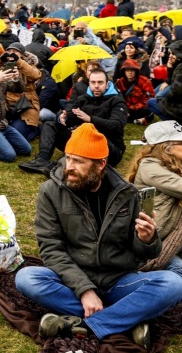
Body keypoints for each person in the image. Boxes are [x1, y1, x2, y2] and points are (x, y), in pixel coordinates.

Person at [14, 123, 182, 350]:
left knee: (173, 283)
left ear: (100, 164)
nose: (69, 167)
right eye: (68, 158)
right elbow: (51, 248)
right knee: (27, 278)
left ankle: (88, 324)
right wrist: (85, 290)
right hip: (72, 279)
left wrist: (147, 239)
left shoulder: (128, 193)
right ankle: (125, 319)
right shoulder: (50, 191)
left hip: (118, 280)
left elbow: (144, 256)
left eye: (78, 161)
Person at [19, 68, 128, 175]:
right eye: (93, 82)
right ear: (89, 83)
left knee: (86, 134)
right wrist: (62, 117)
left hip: (110, 148)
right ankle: (42, 160)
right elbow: (70, 113)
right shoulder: (83, 99)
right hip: (82, 141)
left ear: (107, 84)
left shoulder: (117, 101)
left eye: (100, 82)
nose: (96, 86)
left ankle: (58, 166)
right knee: (50, 125)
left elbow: (116, 125)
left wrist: (90, 119)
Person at [126, 120, 182, 274]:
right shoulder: (149, 166)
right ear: (167, 147)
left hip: (167, 238)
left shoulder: (174, 165)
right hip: (148, 247)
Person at [0, 43, 42, 141]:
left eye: (15, 52)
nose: (11, 54)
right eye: (9, 52)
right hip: (8, 107)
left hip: (26, 106)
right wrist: (0, 59)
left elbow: (35, 75)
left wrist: (19, 61)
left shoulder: (29, 66)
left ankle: (36, 129)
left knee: (16, 137)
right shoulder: (5, 65)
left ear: (22, 54)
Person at [114, 59, 155, 126]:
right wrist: (125, 109)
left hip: (140, 108)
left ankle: (129, 118)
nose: (129, 72)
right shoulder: (119, 83)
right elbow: (117, 98)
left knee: (149, 109)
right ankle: (136, 120)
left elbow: (148, 99)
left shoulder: (145, 81)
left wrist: (131, 109)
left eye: (132, 70)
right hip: (125, 107)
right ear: (124, 71)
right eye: (127, 70)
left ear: (136, 71)